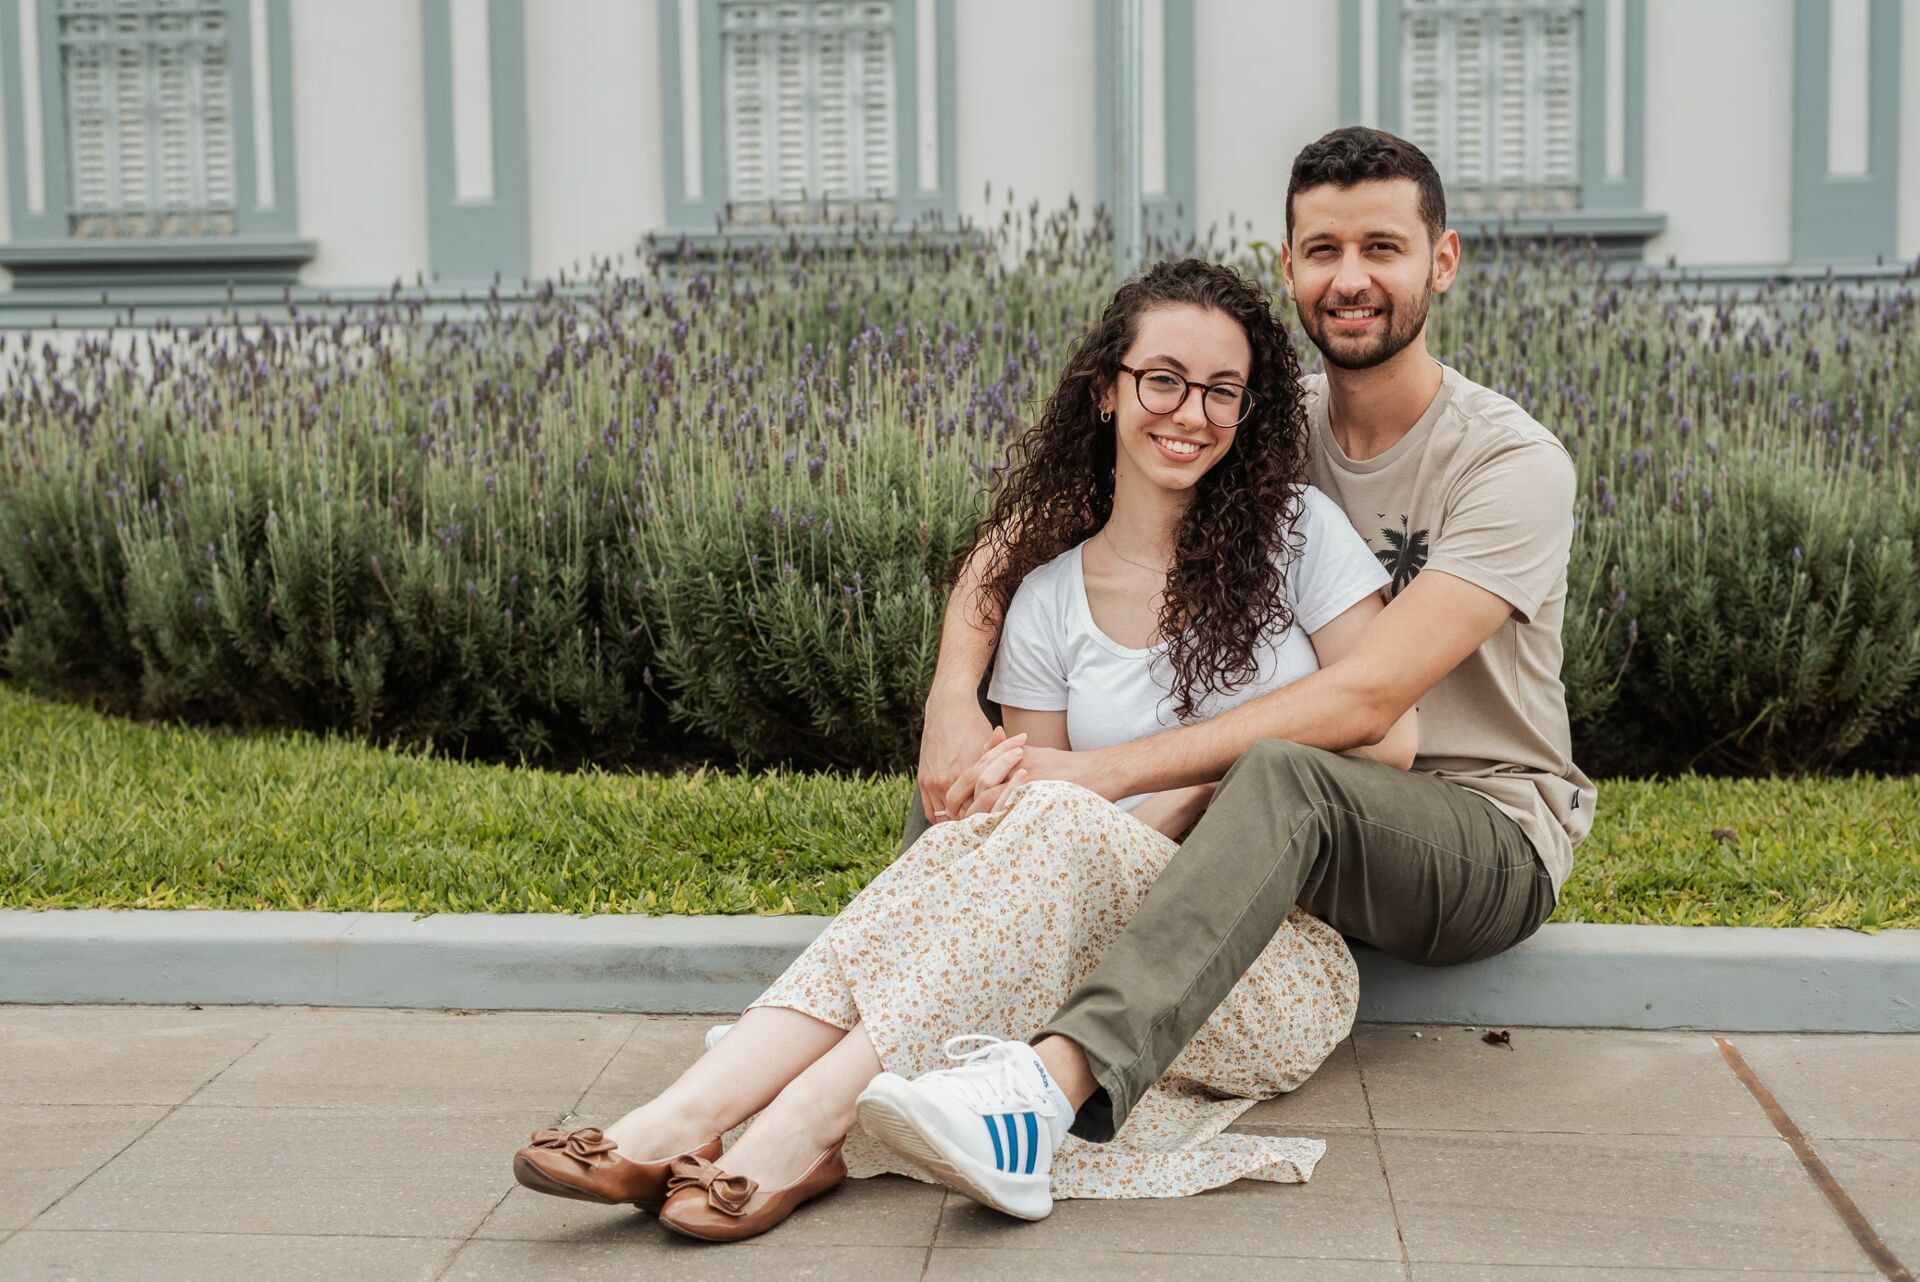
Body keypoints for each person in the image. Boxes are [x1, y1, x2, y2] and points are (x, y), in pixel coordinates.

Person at [509, 256, 1415, 1239]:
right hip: (1081, 955)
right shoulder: (1049, 597)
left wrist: (1199, 783)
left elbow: (1387, 736)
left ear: (1247, 412)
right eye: (1163, 378)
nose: (1190, 412)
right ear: (1108, 390)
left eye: (1222, 391)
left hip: (1259, 973)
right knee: (998, 828)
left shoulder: (1297, 535)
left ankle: (801, 1122)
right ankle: (677, 1117)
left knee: (1057, 814)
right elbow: (1024, 837)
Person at [864, 126, 1594, 1219]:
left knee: (1270, 770)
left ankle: (1044, 1092)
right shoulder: (1256, 417)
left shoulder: (1509, 462)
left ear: (1442, 261)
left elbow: (1367, 701)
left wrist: (1102, 774)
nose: (1352, 279)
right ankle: (843, 1055)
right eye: (1323, 250)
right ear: (1289, 264)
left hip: (1473, 826)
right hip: (1282, 824)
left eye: (1384, 248)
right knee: (986, 790)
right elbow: (1022, 532)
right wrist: (951, 707)